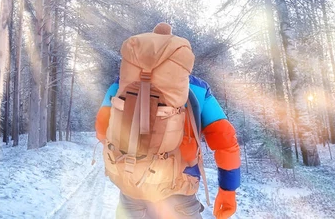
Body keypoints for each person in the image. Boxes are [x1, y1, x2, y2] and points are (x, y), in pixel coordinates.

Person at [95, 23, 240, 219]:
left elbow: (102, 130)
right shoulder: (198, 88)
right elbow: (225, 140)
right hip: (179, 196)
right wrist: (227, 190)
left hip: (131, 191)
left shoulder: (121, 84)